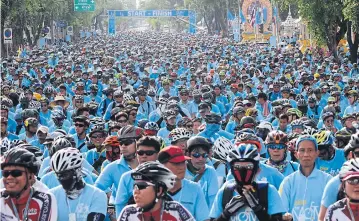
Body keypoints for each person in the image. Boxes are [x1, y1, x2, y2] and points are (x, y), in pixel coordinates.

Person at [210, 143, 286, 221]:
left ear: (258, 170)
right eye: (237, 167)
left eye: (249, 167)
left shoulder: (268, 190)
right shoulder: (225, 192)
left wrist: (257, 208)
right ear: (231, 171)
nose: (243, 171)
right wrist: (226, 214)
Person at [279, 135, 332, 221]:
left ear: (316, 153)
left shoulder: (328, 181)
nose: (306, 154)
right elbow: (282, 211)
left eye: (310, 150)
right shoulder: (288, 182)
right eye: (302, 150)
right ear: (296, 154)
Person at [118, 161, 195, 221]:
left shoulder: (176, 210)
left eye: (142, 186)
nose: (136, 191)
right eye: (134, 186)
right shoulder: (128, 212)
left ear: (159, 190)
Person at [0, 147, 58, 220]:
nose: (9, 177)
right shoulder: (1, 198)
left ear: (30, 176)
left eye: (16, 173)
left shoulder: (44, 199)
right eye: (5, 173)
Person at [50, 147, 107, 221]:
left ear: (78, 171)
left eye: (65, 175)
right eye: (58, 175)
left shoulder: (97, 195)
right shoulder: (51, 195)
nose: (61, 179)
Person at [114, 136, 162, 218]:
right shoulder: (126, 177)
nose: (144, 156)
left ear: (158, 154)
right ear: (136, 154)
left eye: (149, 153)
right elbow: (120, 205)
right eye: (140, 153)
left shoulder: (165, 176)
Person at [95, 125, 143, 199]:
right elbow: (96, 189)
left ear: (139, 143)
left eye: (127, 142)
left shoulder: (151, 165)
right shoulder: (112, 167)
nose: (123, 146)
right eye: (120, 143)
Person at [185, 136, 219, 208]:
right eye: (196, 155)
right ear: (188, 154)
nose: (201, 159)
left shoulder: (210, 171)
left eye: (204, 155)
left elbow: (213, 200)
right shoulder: (181, 170)